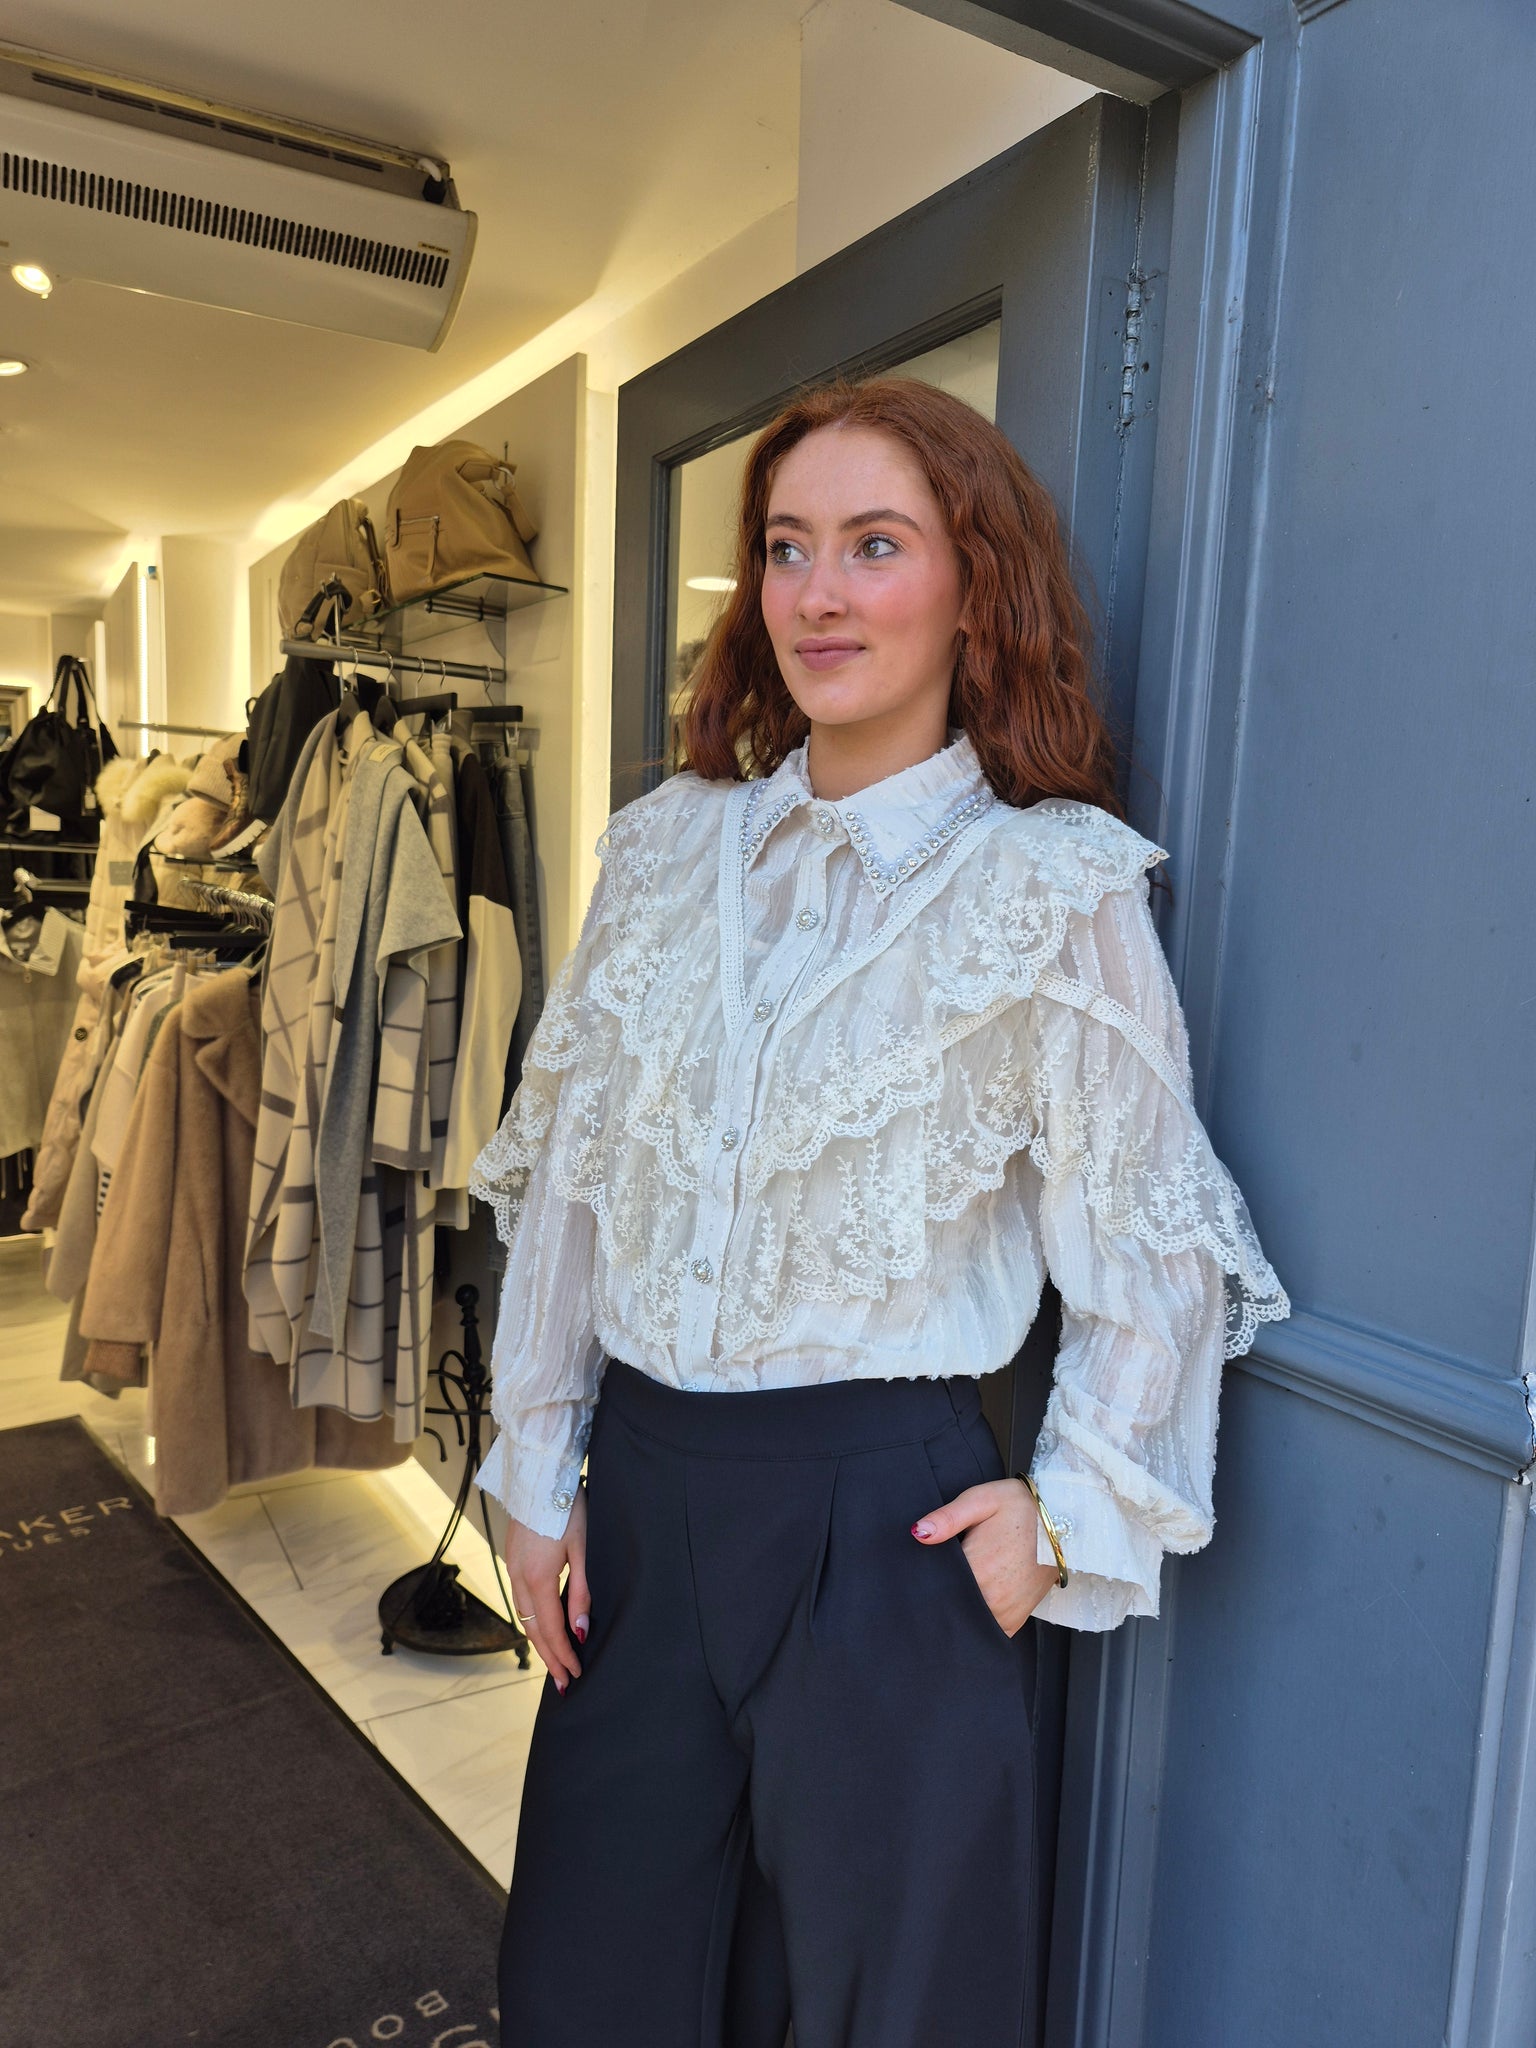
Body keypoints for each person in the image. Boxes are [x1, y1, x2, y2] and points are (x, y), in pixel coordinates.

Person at [469, 374, 1289, 2047]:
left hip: (885, 1525)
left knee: (884, 2010)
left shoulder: (1050, 888)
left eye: (872, 545)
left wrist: (1058, 1520)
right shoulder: (663, 853)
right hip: (638, 1503)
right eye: (785, 549)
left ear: (972, 581)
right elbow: (573, 1192)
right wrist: (531, 1466)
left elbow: (1153, 1255)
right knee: (587, 1984)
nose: (817, 594)